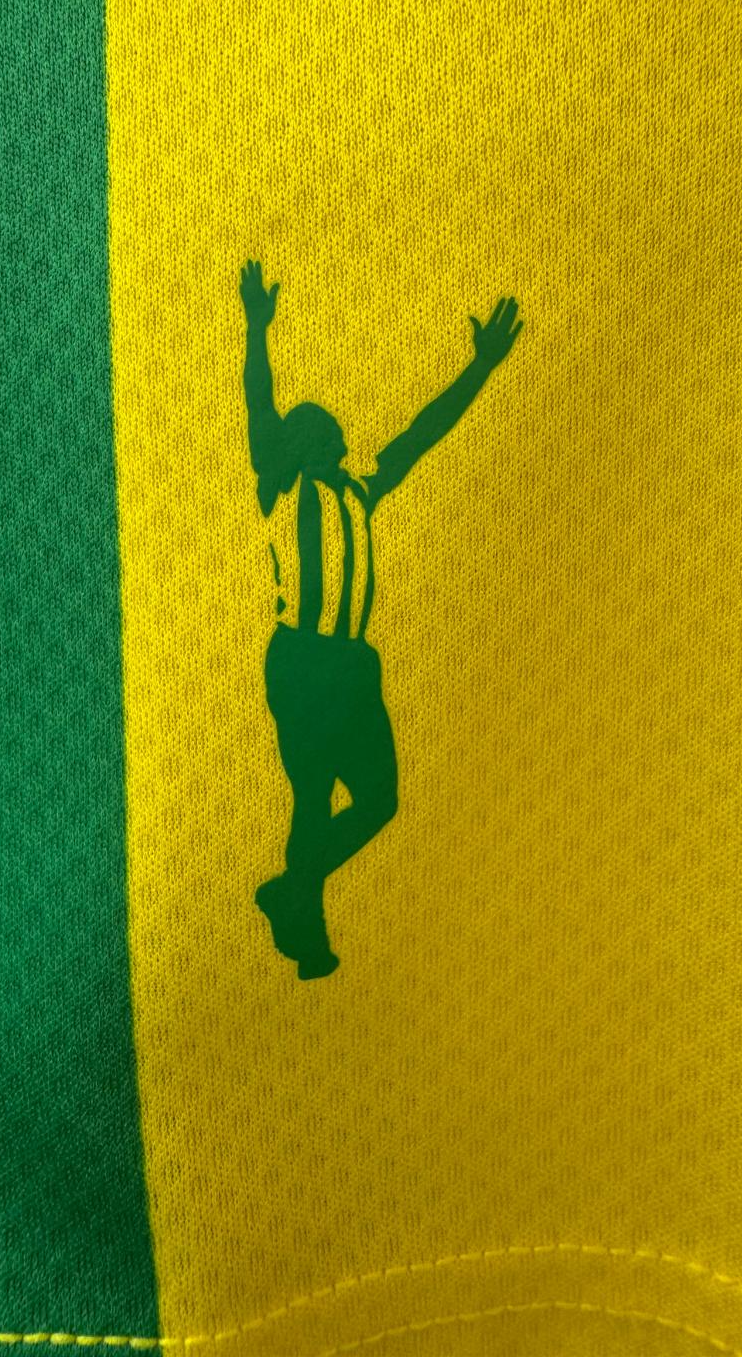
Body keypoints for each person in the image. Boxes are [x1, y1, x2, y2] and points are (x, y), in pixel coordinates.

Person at [239, 259, 522, 979]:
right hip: (302, 660)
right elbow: (259, 405)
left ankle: (295, 887)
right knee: (310, 796)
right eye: (326, 432)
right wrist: (256, 328)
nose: (340, 438)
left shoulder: (361, 489)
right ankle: (307, 934)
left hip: (353, 666)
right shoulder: (282, 486)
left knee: (379, 800)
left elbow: (425, 431)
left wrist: (480, 367)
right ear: (307, 444)